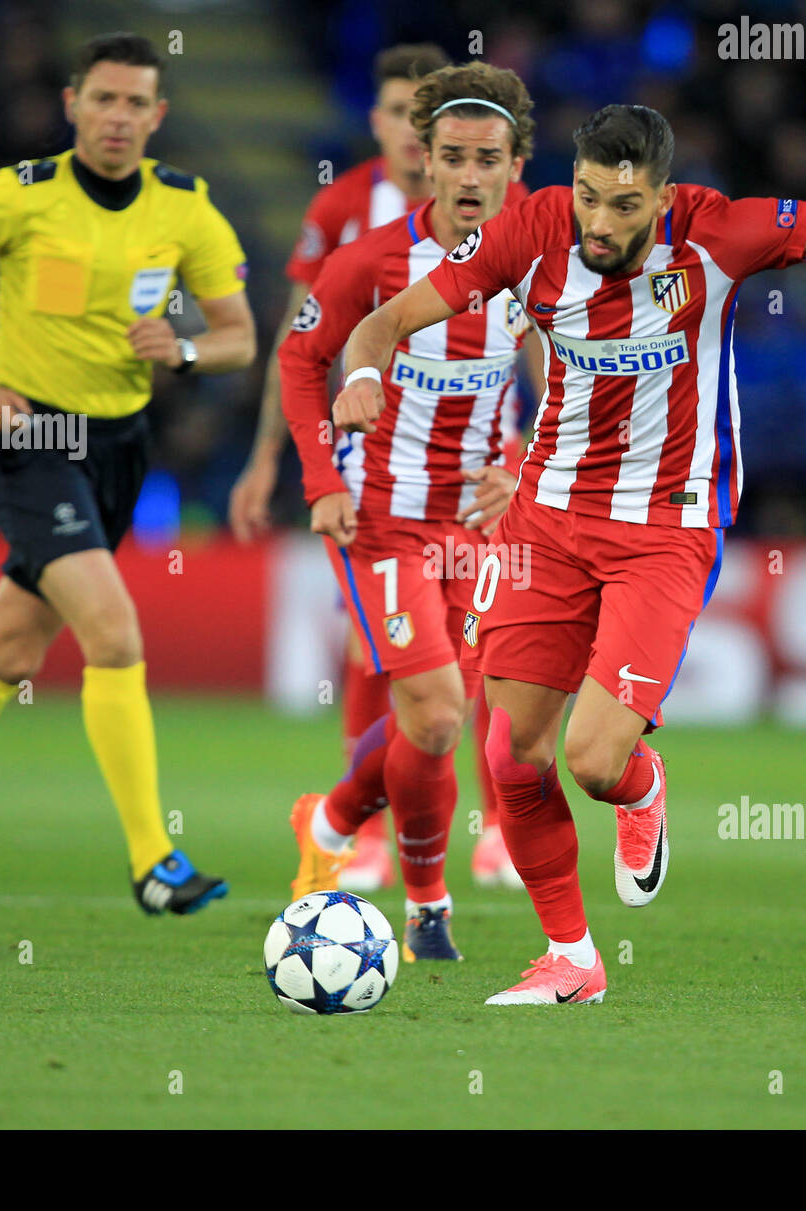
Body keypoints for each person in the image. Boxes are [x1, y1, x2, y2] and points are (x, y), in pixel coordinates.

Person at [327, 103, 806, 1003]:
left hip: (665, 527)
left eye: (624, 204)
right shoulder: (526, 232)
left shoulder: (719, 232)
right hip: (547, 523)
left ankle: (643, 789)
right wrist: (367, 371)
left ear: (660, 197)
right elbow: (383, 323)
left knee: (596, 762)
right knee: (511, 755)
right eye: (588, 198)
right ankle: (572, 958)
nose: (601, 223)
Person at [0, 32, 256, 914]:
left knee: (10, 651)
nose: (117, 117)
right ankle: (155, 863)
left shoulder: (186, 210)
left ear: (157, 115)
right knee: (114, 634)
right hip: (26, 439)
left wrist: (183, 348)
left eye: (134, 102)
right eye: (102, 99)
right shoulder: (17, 197)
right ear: (73, 105)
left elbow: (240, 336)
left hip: (117, 447)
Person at [229, 42, 524, 891]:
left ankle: (362, 817)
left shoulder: (536, 241)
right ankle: (369, 842)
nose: (461, 168)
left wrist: (525, 466)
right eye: (406, 122)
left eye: (484, 156)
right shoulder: (357, 229)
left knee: (468, 691)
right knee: (410, 686)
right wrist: (306, 476)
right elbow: (299, 349)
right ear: (407, 141)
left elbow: (566, 367)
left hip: (476, 509)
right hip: (377, 505)